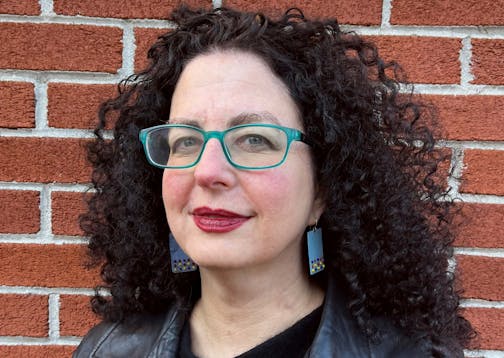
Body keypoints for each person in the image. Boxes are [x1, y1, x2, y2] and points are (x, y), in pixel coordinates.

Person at [74, 5, 474, 358]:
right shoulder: (105, 350)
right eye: (186, 141)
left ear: (323, 186)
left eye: (254, 140)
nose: (208, 171)